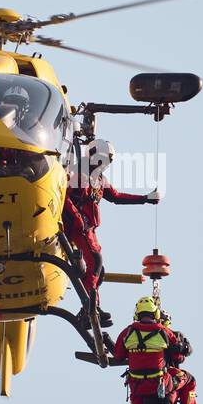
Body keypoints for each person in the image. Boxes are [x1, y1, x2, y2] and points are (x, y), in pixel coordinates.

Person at [62, 139, 159, 328]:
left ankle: (89, 308)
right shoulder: (75, 172)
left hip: (88, 229)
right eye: (100, 161)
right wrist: (77, 219)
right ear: (91, 155)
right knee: (95, 262)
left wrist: (145, 199)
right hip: (77, 227)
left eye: (105, 162)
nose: (102, 165)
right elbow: (63, 195)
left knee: (99, 271)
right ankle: (91, 307)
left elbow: (116, 197)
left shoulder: (99, 180)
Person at [112, 297, 197, 404]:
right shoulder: (164, 332)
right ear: (156, 313)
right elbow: (179, 355)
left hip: (137, 386)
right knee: (189, 381)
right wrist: (183, 346)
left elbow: (118, 355)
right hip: (161, 383)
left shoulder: (127, 332)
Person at [159, 308, 202, 404]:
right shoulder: (172, 335)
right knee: (190, 382)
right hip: (169, 375)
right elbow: (180, 357)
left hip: (145, 377)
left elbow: (185, 352)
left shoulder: (137, 332)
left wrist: (182, 348)